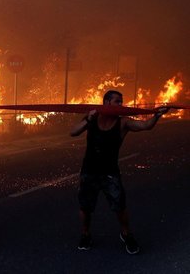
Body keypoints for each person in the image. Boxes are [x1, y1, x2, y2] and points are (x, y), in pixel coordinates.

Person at [70, 90, 169, 254]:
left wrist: (157, 115)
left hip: (110, 172)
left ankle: (126, 234)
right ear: (107, 102)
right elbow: (73, 132)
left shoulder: (123, 122)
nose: (120, 105)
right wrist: (88, 119)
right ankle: (85, 234)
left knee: (120, 207)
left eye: (121, 102)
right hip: (89, 171)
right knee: (85, 207)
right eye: (117, 101)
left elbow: (146, 126)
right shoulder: (92, 118)